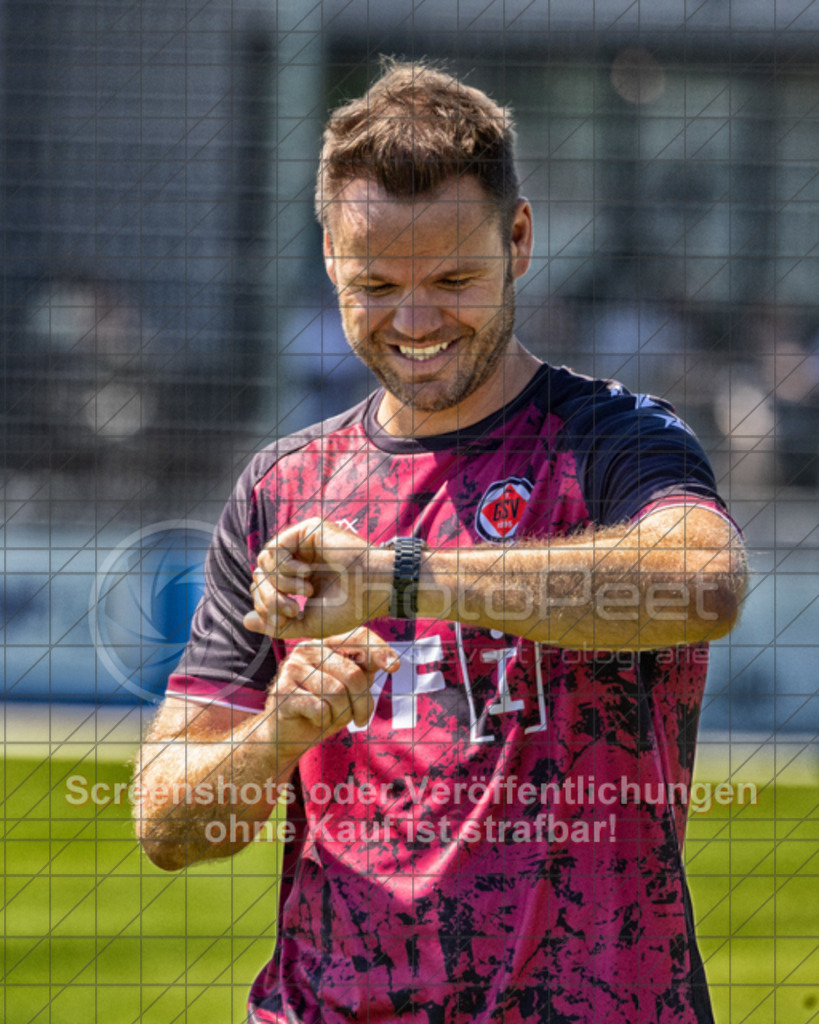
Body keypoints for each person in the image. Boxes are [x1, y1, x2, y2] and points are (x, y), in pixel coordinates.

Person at [133, 60, 747, 1024]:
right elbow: (167, 826)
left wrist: (398, 577)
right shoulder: (283, 488)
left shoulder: (613, 442)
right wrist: (279, 731)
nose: (415, 322)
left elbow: (702, 585)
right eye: (376, 284)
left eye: (453, 279)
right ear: (330, 257)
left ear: (518, 239)